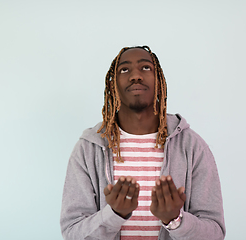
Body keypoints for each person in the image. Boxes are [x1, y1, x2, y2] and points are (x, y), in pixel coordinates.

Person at [60, 46, 226, 240]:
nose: (135, 76)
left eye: (145, 68)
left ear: (159, 81)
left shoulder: (192, 146)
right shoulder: (88, 148)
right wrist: (114, 214)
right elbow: (72, 233)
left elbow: (215, 233)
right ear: (113, 84)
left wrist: (175, 220)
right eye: (124, 69)